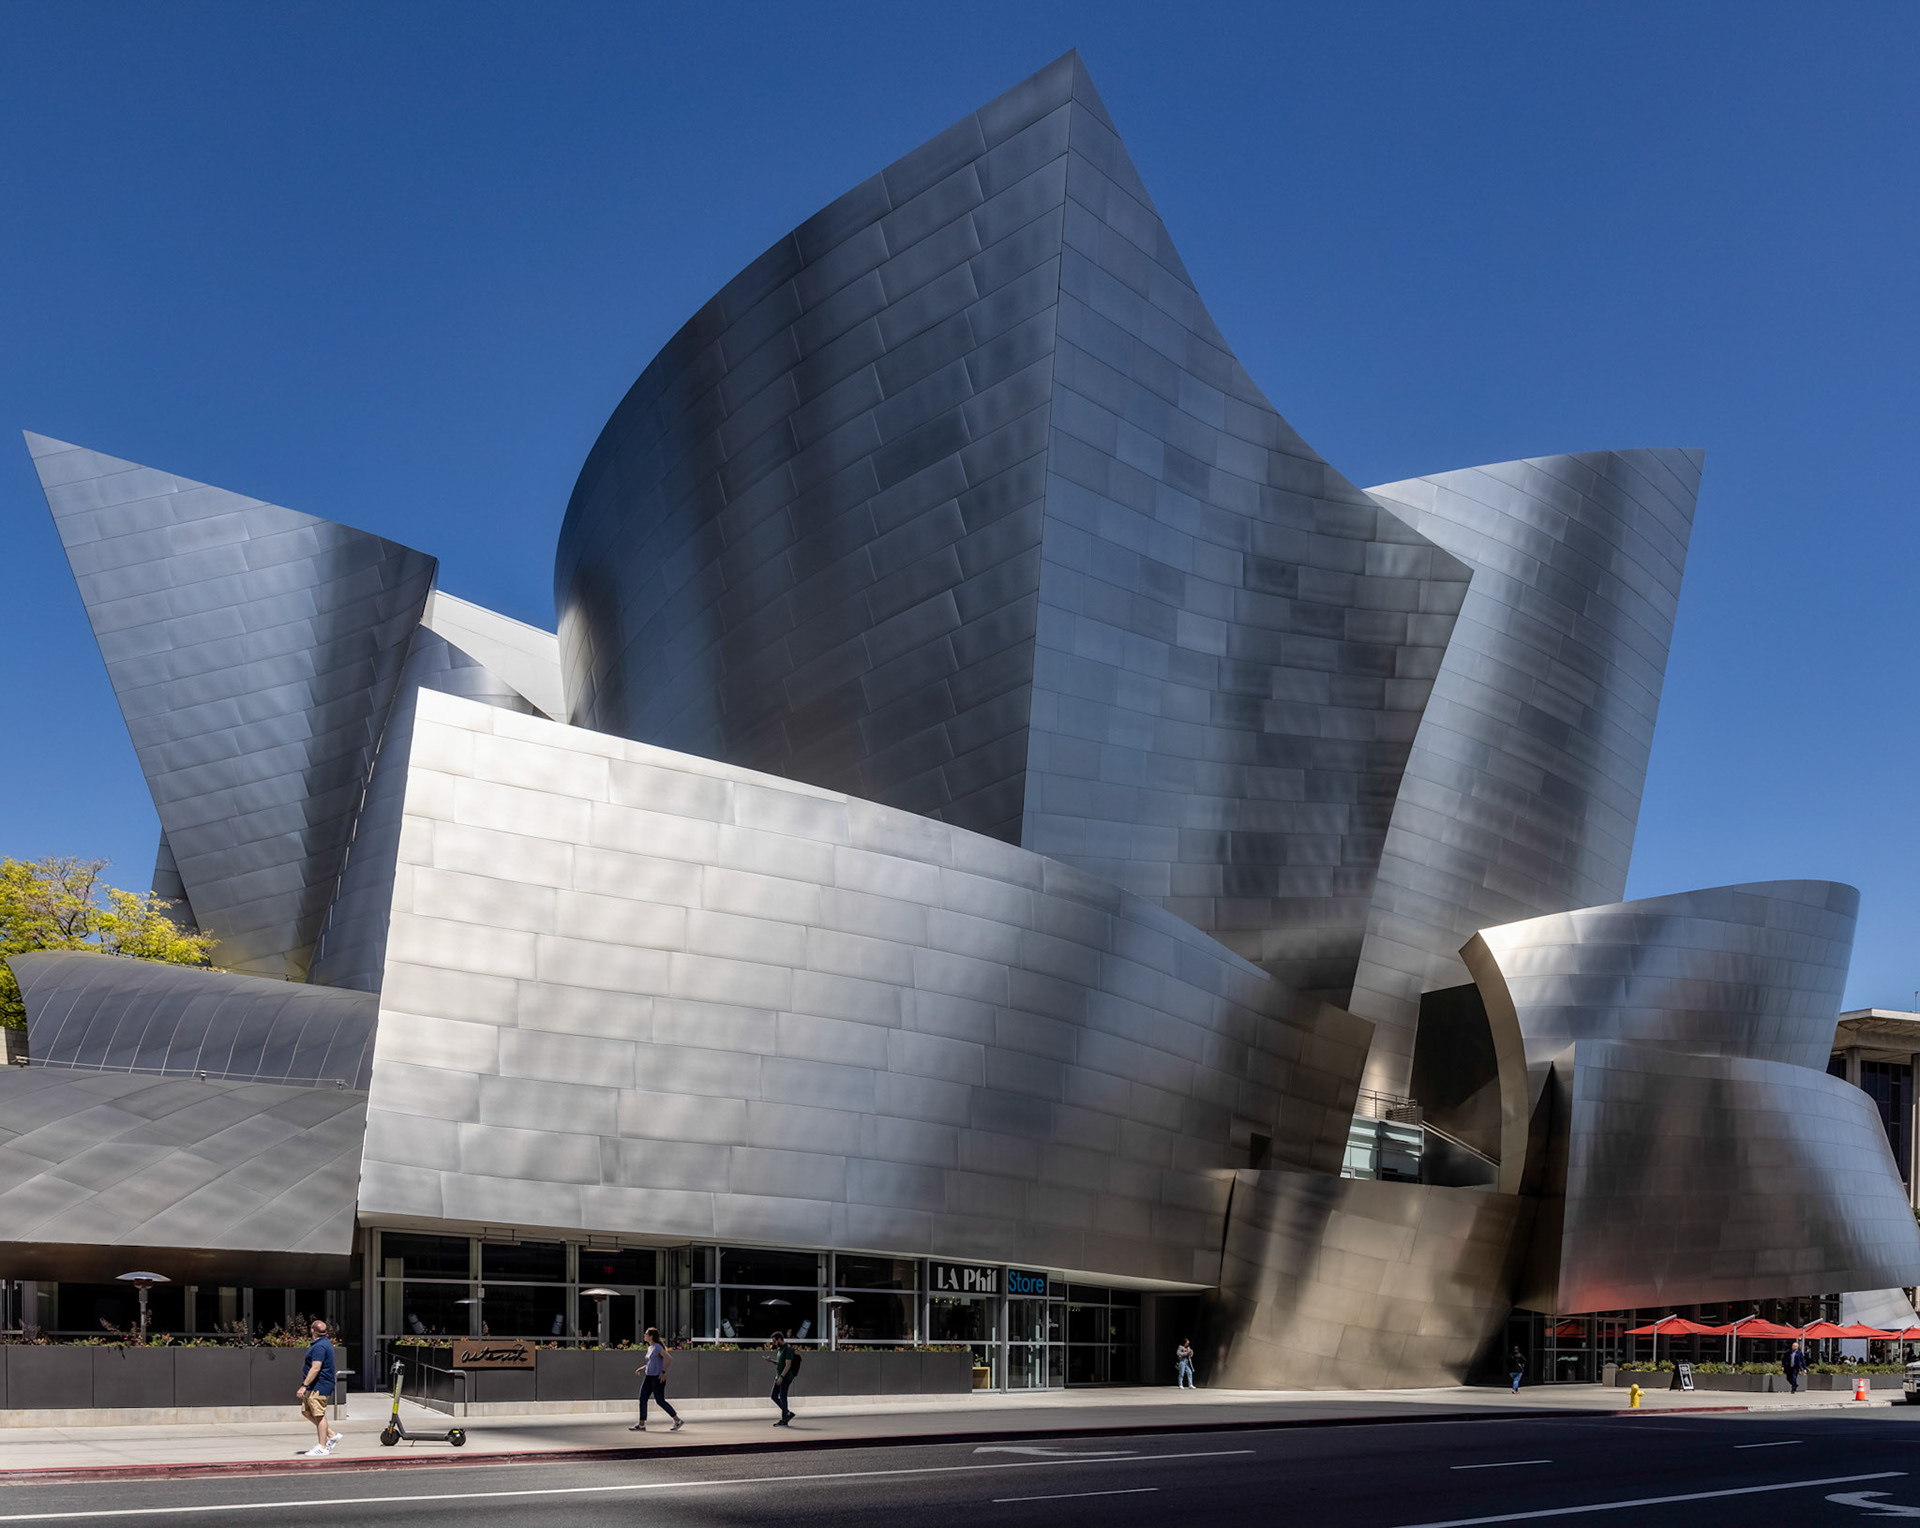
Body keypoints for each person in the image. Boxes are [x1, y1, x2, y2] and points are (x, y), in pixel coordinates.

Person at [294, 1318, 340, 1456]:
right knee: (306, 1411)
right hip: (315, 1385)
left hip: (320, 1385)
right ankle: (331, 1435)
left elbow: (315, 1368)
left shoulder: (320, 1347)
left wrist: (304, 1385)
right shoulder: (323, 1343)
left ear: (312, 1330)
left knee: (319, 1415)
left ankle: (322, 1447)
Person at [630, 1327, 682, 1432]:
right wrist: (644, 1368)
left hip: (656, 1378)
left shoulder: (658, 1347)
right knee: (642, 1398)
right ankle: (641, 1424)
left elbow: (669, 1358)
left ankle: (677, 1420)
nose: (644, 1335)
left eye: (646, 1334)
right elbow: (652, 1362)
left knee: (660, 1401)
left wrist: (663, 1372)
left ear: (651, 1336)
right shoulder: (650, 1347)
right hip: (649, 1377)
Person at [765, 1330, 802, 1425]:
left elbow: (788, 1365)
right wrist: (771, 1361)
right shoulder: (780, 1349)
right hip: (779, 1375)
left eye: (774, 1341)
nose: (774, 1343)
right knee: (774, 1396)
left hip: (785, 1376)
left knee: (782, 1396)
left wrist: (781, 1377)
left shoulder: (788, 1349)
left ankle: (785, 1418)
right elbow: (781, 1363)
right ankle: (787, 1414)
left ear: (779, 1339)